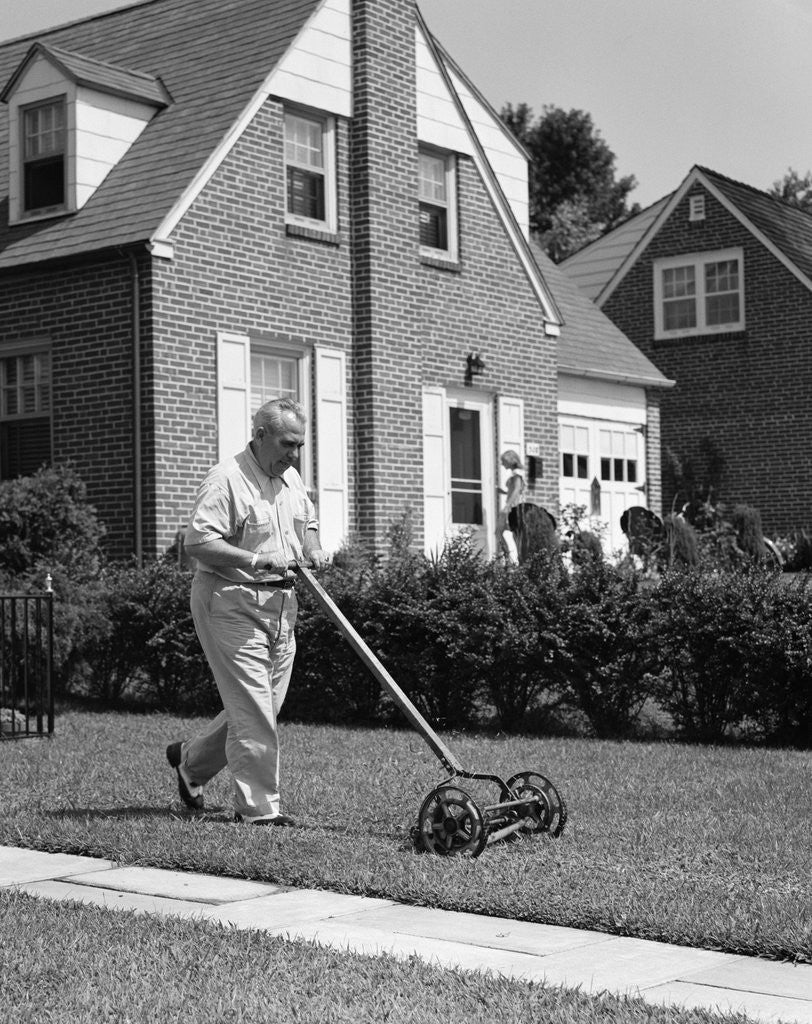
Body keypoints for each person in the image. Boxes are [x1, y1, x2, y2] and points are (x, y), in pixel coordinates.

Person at [166, 397, 327, 826]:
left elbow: (306, 521)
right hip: (231, 601)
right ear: (259, 436)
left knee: (259, 707)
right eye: (287, 444)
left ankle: (190, 762)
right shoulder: (227, 480)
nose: (294, 455)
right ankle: (259, 811)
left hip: (281, 606)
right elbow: (197, 544)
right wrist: (257, 561)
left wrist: (312, 547)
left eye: (300, 446)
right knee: (254, 710)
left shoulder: (289, 479)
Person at [495, 450, 525, 564]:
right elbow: (513, 490)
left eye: (503, 461)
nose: (502, 464)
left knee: (505, 533)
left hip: (513, 507)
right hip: (512, 506)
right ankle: (511, 560)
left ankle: (511, 560)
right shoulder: (515, 473)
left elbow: (517, 489)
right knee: (509, 533)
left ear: (510, 460)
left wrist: (507, 506)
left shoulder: (517, 473)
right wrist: (502, 491)